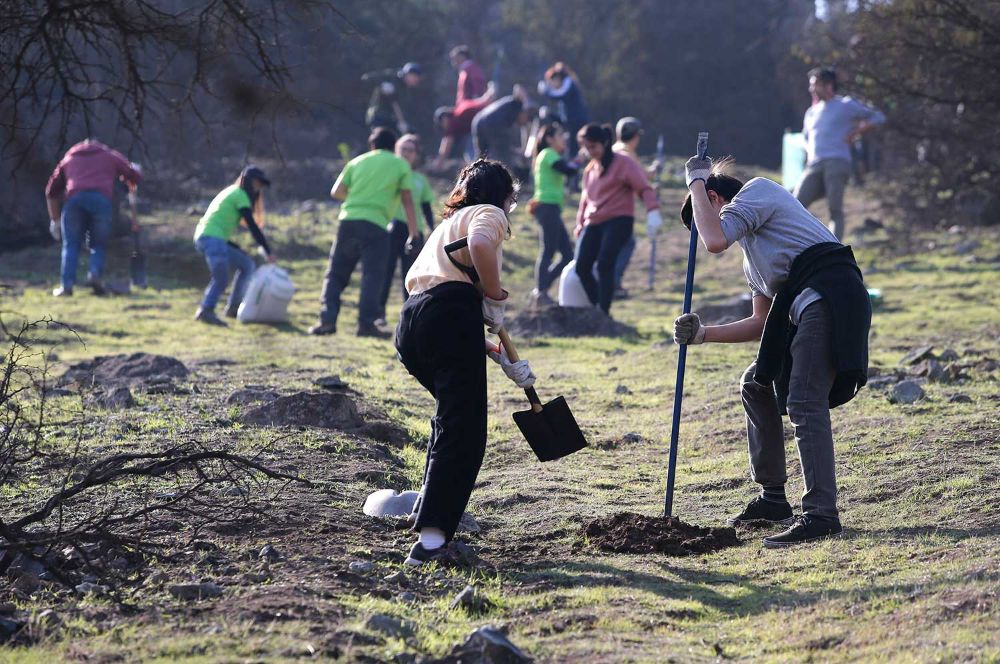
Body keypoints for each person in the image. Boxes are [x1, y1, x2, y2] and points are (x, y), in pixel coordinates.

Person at [675, 155, 871, 547]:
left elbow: (714, 241)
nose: (705, 229)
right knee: (755, 382)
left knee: (803, 398)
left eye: (702, 216)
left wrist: (693, 181)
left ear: (713, 197)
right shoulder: (755, 262)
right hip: (805, 307)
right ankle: (773, 499)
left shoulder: (759, 190)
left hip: (830, 294)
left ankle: (821, 515)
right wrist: (702, 335)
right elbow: (762, 323)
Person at [395, 158, 535, 565]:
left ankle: (428, 513)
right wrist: (494, 295)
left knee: (450, 418)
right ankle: (432, 542)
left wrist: (494, 353)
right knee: (464, 430)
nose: (510, 208)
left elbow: (445, 287)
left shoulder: (445, 226)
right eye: (512, 199)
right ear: (504, 196)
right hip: (449, 314)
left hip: (414, 322)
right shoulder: (488, 213)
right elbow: (478, 247)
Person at [310, 127, 418, 338]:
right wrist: (413, 233)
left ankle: (326, 320)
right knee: (372, 275)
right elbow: (407, 200)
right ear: (393, 146)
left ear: (372, 145)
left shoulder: (357, 161)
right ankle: (366, 324)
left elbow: (337, 192)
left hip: (348, 221)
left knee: (335, 273)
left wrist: (359, 198)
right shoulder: (400, 165)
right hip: (376, 225)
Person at [573, 123, 660, 315]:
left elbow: (643, 187)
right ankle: (597, 306)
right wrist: (580, 225)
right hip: (593, 222)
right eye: (586, 148)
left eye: (593, 147)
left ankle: (604, 312)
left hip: (619, 220)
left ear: (604, 143)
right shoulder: (590, 170)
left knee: (605, 264)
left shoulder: (624, 163)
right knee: (582, 267)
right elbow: (585, 200)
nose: (590, 152)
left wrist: (652, 210)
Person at [794, 67, 885, 239]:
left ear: (828, 85)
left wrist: (855, 132)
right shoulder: (811, 112)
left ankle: (834, 250)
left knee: (834, 208)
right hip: (814, 164)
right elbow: (806, 138)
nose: (811, 89)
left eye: (815, 85)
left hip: (837, 162)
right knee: (795, 203)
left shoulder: (846, 105)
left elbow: (877, 117)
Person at [45, 139, 143, 297]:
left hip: (74, 201)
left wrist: (54, 220)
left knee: (71, 245)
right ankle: (95, 274)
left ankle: (66, 286)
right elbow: (134, 176)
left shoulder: (69, 158)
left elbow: (50, 191)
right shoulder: (109, 156)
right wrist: (135, 170)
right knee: (98, 244)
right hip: (101, 202)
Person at [192, 166, 276, 326]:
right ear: (248, 181)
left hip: (210, 238)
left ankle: (233, 307)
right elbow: (252, 226)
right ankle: (206, 310)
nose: (258, 189)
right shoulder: (240, 195)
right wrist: (268, 250)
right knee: (221, 279)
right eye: (257, 184)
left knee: (247, 264)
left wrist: (234, 246)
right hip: (212, 239)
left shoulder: (231, 192)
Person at [378, 134, 436, 319]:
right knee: (385, 272)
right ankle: (378, 314)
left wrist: (431, 229)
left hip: (414, 231)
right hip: (392, 227)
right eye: (403, 149)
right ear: (396, 150)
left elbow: (426, 206)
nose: (407, 153)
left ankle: (409, 315)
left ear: (416, 155)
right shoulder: (389, 173)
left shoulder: (420, 179)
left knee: (411, 276)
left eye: (411, 150)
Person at [611, 116, 660, 299]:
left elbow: (639, 175)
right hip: (620, 208)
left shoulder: (616, 150)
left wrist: (651, 172)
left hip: (611, 206)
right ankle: (614, 284)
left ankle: (612, 282)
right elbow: (638, 178)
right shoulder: (626, 154)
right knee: (627, 244)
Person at [529, 122, 578, 305]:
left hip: (552, 208)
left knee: (567, 255)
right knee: (548, 250)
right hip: (546, 207)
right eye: (560, 135)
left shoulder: (550, 155)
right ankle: (540, 291)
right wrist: (579, 161)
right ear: (550, 139)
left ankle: (542, 289)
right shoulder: (548, 154)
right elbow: (566, 169)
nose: (563, 139)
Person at [432, 82, 496, 169]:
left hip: (484, 125)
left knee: (471, 152)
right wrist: (491, 89)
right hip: (491, 121)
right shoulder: (461, 107)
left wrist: (438, 164)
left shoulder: (454, 121)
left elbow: (446, 145)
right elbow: (485, 100)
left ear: (445, 119)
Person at [471, 84, 535, 166]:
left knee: (481, 157)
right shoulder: (518, 105)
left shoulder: (509, 104)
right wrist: (521, 152)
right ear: (524, 113)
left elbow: (524, 129)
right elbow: (518, 88)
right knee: (504, 159)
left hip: (478, 120)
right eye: (526, 119)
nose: (525, 123)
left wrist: (522, 150)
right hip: (492, 123)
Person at [538, 62, 589, 158]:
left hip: (577, 123)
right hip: (572, 124)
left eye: (551, 82)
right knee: (571, 152)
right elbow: (563, 120)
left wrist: (546, 91)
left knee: (574, 152)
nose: (552, 85)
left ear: (557, 78)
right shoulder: (564, 94)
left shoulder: (568, 82)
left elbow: (559, 95)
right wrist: (549, 114)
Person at [364, 62, 423, 135]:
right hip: (378, 116)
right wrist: (382, 84)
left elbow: (399, 107)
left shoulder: (406, 90)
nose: (415, 81)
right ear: (407, 74)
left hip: (392, 119)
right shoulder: (391, 76)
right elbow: (367, 78)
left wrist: (402, 123)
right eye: (414, 77)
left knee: (410, 133)